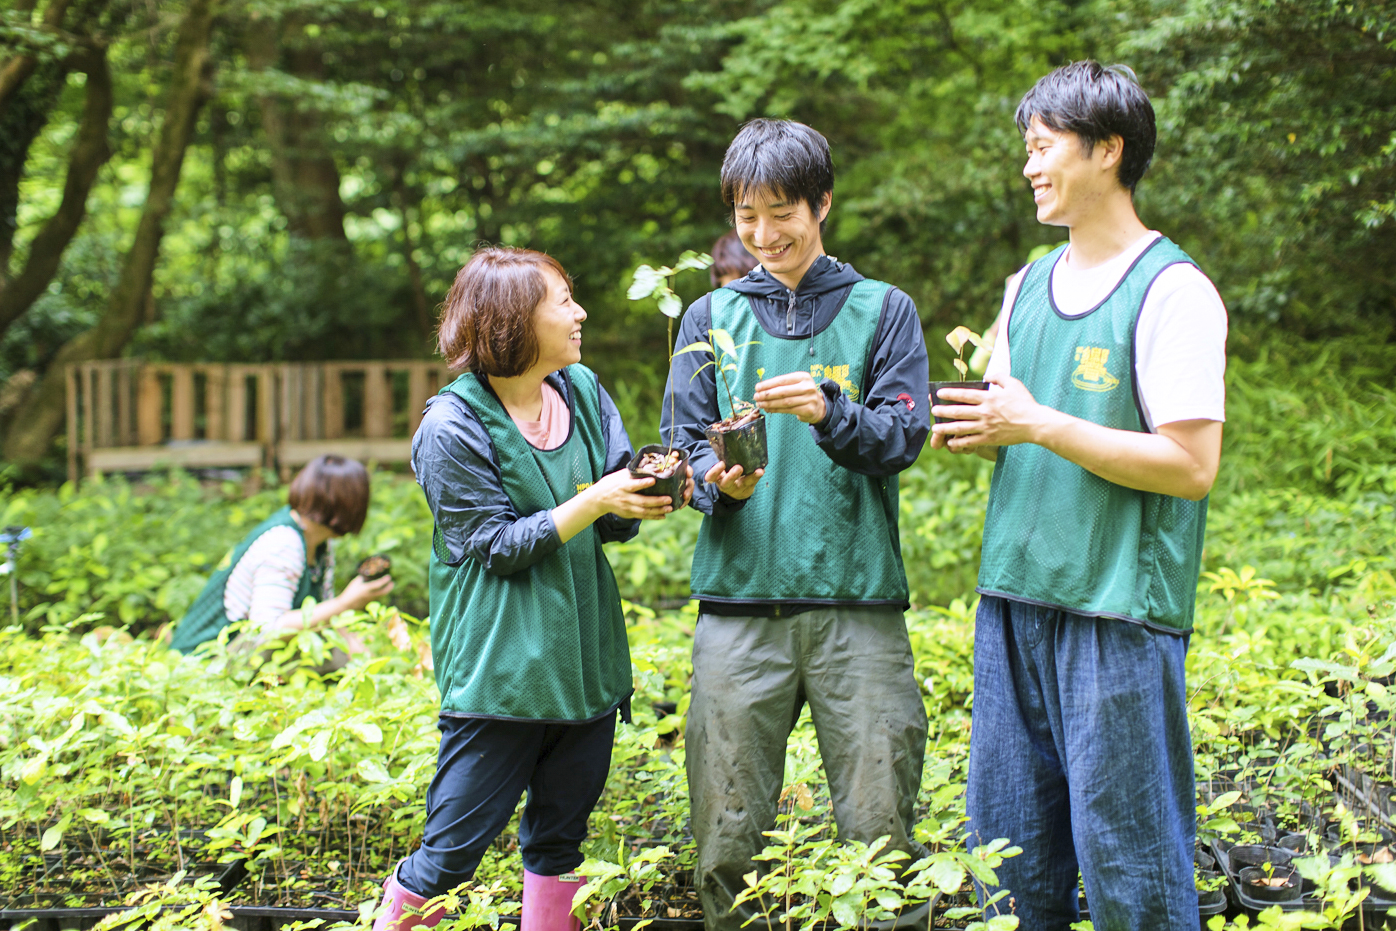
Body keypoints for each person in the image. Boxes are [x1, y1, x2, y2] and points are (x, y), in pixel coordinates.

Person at [931, 61, 1227, 929]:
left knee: (1131, 870)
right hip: (1013, 601)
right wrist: (989, 430)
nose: (1029, 164)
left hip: (1117, 613)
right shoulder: (1023, 287)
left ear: (1109, 149)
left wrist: (1038, 422)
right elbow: (1018, 424)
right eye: (1027, 146)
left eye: (1044, 144)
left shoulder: (1174, 291)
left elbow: (1189, 464)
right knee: (1011, 866)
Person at [371, 246, 692, 931]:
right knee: (449, 854)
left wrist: (645, 496)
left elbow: (611, 525)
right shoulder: (451, 425)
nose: (579, 313)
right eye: (561, 301)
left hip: (583, 668)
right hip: (502, 678)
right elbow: (493, 547)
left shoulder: (582, 390)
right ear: (512, 321)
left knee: (558, 845)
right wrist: (599, 500)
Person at [663, 119, 932, 931]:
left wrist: (828, 409)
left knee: (880, 831)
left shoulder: (884, 311)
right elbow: (682, 451)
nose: (762, 234)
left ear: (822, 203)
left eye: (781, 212)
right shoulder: (709, 317)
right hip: (740, 612)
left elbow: (902, 437)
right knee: (727, 838)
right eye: (747, 214)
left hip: (859, 608)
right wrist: (722, 486)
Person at [168, 454, 392, 664]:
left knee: (338, 653)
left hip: (242, 653)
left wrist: (362, 655)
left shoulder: (319, 542)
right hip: (205, 661)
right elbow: (268, 630)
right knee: (326, 654)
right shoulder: (284, 543)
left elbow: (323, 613)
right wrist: (346, 603)